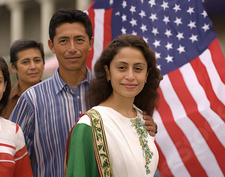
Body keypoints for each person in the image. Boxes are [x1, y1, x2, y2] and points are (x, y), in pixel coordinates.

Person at [10, 9, 158, 177]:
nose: (72, 48)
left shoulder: (115, 91)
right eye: (64, 41)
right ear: (51, 45)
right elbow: (14, 159)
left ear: (90, 43)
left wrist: (146, 127)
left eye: (79, 40)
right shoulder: (32, 100)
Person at [65, 34, 161, 177]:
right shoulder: (89, 126)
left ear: (147, 74)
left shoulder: (143, 119)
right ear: (108, 72)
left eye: (138, 69)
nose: (130, 76)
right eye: (122, 67)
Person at [0, 39, 45, 118]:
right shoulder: (2, 102)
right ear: (13, 67)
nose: (33, 67)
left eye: (37, 60)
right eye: (25, 62)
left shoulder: (56, 98)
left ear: (43, 64)